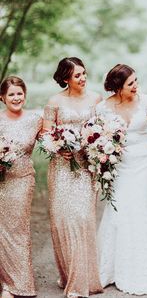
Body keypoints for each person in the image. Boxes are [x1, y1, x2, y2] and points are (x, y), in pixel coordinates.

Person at [97, 64, 147, 295]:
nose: (136, 86)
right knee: (118, 209)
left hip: (142, 163)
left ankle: (142, 266)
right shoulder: (102, 108)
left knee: (138, 206)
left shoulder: (145, 100)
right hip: (117, 165)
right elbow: (95, 138)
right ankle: (111, 268)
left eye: (136, 81)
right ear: (118, 87)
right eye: (131, 84)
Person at [42, 57, 103, 298]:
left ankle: (83, 279)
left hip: (87, 166)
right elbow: (45, 134)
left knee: (82, 218)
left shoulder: (95, 99)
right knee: (63, 220)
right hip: (62, 168)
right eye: (77, 75)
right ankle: (69, 274)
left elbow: (103, 129)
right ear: (65, 78)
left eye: (84, 73)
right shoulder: (54, 102)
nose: (83, 78)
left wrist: (98, 145)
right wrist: (58, 146)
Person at [0, 76, 41, 298]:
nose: (16, 98)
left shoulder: (35, 120)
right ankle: (4, 283)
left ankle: (19, 284)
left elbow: (50, 142)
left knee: (17, 228)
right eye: (11, 94)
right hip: (0, 181)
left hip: (23, 179)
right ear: (2, 98)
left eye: (19, 93)